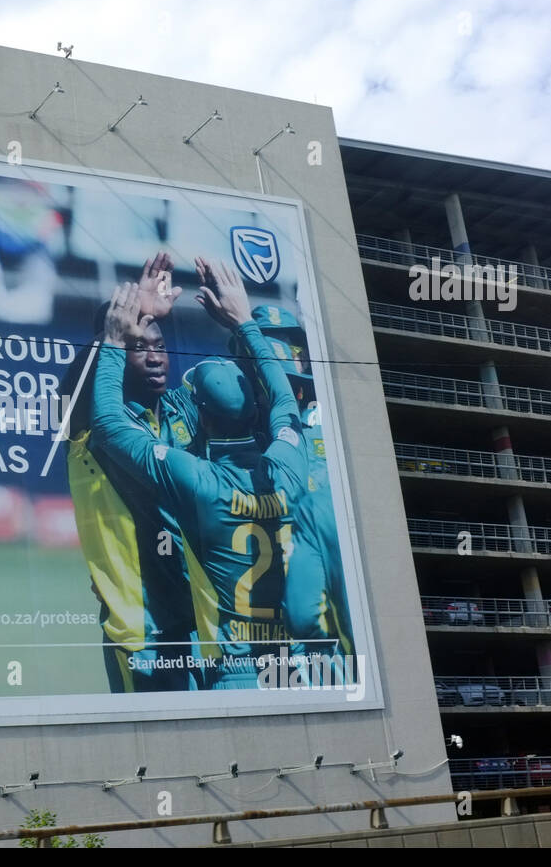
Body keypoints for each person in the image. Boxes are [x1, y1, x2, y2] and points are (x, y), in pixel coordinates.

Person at [91, 259, 309, 689]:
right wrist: (244, 322)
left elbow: (108, 423)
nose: (156, 358)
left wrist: (115, 340)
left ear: (202, 419)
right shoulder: (289, 465)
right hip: (297, 667)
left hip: (236, 673)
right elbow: (284, 400)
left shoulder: (201, 483)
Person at [63, 254, 202, 692]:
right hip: (140, 636)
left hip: (204, 626)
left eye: (159, 345)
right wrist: (115, 334)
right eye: (138, 348)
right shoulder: (92, 429)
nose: (156, 357)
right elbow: (73, 389)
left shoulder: (182, 411)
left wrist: (143, 315)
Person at [249, 305, 354, 660]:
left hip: (326, 620)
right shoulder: (228, 434)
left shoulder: (334, 421)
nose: (291, 356)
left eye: (294, 347)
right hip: (263, 621)